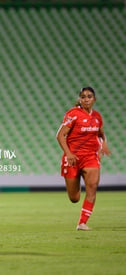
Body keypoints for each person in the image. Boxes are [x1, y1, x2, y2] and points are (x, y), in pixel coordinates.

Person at [56, 87, 111, 231]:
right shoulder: (73, 114)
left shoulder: (97, 117)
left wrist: (103, 143)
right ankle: (77, 180)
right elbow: (60, 135)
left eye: (89, 96)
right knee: (74, 198)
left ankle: (82, 223)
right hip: (73, 157)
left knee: (92, 188)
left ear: (94, 99)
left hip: (91, 157)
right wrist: (68, 153)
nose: (86, 99)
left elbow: (100, 133)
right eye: (83, 96)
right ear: (80, 99)